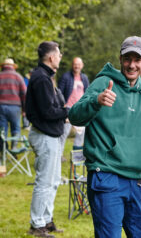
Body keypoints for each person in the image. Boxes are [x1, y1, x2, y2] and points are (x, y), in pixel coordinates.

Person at [68, 36, 141, 238]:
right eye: (127, 59)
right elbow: (74, 115)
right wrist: (96, 101)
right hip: (106, 176)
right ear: (120, 59)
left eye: (137, 60)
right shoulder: (104, 82)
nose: (132, 65)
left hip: (136, 181)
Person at [26, 41, 68, 238]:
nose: (60, 57)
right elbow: (47, 111)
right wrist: (67, 112)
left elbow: (53, 107)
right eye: (58, 54)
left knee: (53, 181)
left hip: (51, 135)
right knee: (44, 181)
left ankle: (46, 219)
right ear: (51, 57)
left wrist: (63, 111)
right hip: (44, 135)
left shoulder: (46, 77)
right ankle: (37, 225)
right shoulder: (41, 78)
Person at [58, 57, 89, 158]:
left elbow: (88, 93)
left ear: (82, 65)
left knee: (81, 133)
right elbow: (59, 92)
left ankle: (77, 156)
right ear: (72, 65)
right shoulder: (66, 77)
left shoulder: (84, 78)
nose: (77, 66)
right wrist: (62, 105)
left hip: (80, 110)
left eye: (79, 64)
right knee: (63, 133)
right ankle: (59, 155)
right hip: (68, 109)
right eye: (75, 64)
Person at [0, 58, 26, 148]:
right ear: (13, 67)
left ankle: (4, 149)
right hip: (15, 107)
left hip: (1, 107)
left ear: (3, 66)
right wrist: (24, 109)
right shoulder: (18, 77)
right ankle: (14, 149)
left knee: (2, 130)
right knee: (15, 128)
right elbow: (24, 94)